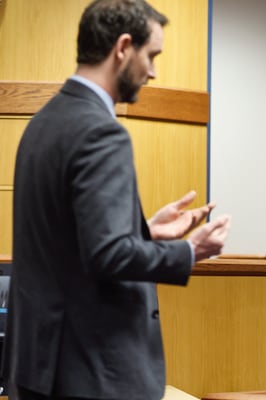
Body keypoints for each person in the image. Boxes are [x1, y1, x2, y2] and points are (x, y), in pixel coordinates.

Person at [1, 1, 231, 399]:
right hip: (94, 374)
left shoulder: (42, 124)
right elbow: (107, 255)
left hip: (40, 369)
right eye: (152, 55)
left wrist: (145, 231)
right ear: (123, 47)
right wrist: (189, 252)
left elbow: (69, 241)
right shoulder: (101, 132)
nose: (154, 71)